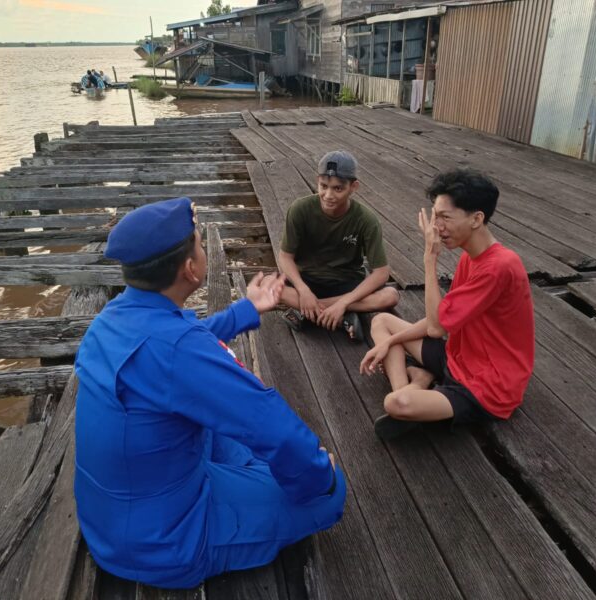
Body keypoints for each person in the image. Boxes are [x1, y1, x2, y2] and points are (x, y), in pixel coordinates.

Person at [74, 198, 345, 589]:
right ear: (190, 268)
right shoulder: (178, 351)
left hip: (109, 521)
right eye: (200, 243)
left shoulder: (111, 318)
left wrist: (246, 309)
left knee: (219, 428)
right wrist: (322, 473)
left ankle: (253, 480)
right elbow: (273, 425)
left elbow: (175, 345)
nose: (203, 250)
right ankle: (284, 485)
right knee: (328, 491)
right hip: (167, 543)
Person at [360, 170, 534, 440]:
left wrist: (430, 259)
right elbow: (439, 321)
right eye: (434, 216)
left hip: (486, 385)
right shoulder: (470, 258)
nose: (435, 227)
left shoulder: (499, 266)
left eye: (444, 217)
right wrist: (388, 343)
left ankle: (411, 391)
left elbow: (436, 326)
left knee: (396, 404)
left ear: (476, 219)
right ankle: (412, 384)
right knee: (381, 322)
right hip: (458, 357)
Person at [279, 150, 399, 342]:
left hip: (346, 283)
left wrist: (344, 302)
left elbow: (381, 272)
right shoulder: (299, 209)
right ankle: (344, 318)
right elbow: (286, 257)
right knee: (270, 288)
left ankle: (309, 313)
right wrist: (303, 290)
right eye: (323, 186)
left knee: (390, 296)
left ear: (354, 187)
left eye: (338, 189)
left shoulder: (366, 220)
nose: (328, 195)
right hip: (308, 280)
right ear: (317, 181)